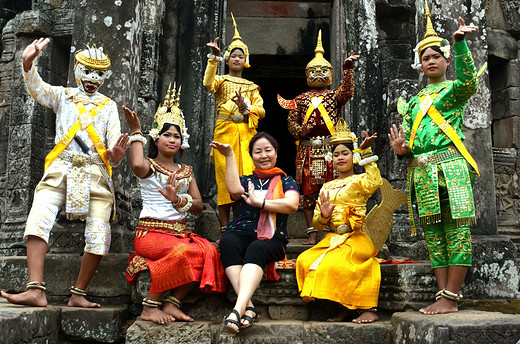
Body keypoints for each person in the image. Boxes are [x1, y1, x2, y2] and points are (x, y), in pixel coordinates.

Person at [1, 38, 128, 308]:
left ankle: (78, 293)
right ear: (77, 70)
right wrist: (28, 63)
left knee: (99, 234)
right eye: (87, 71)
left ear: (105, 77)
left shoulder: (109, 106)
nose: (92, 78)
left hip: (95, 171)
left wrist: (115, 156)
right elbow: (38, 89)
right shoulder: (63, 95)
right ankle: (35, 288)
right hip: (61, 167)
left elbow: (114, 148)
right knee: (38, 218)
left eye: (99, 74)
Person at [388, 1, 482, 315]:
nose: (430, 61)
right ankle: (443, 295)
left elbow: (471, 82)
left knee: (456, 230)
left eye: (435, 56)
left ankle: (451, 297)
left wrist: (460, 44)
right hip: (423, 171)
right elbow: (411, 144)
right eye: (425, 57)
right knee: (434, 234)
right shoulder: (413, 103)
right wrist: (403, 152)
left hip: (450, 167)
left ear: (445, 60)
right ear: (420, 64)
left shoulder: (454, 90)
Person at [123, 85, 227, 324]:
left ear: (183, 142)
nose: (172, 140)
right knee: (183, 252)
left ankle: (172, 302)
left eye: (177, 136)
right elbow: (137, 166)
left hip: (177, 233)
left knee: (208, 251)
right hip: (150, 235)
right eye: (167, 135)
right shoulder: (149, 166)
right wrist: (136, 131)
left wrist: (178, 200)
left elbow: (199, 205)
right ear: (156, 138)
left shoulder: (186, 171)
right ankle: (150, 306)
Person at [210, 132, 299, 334]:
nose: (263, 155)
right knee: (228, 241)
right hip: (241, 231)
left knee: (256, 248)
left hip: (272, 237)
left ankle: (237, 309)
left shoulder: (287, 181)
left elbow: (292, 205)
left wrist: (261, 203)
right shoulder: (247, 180)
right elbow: (233, 190)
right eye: (258, 151)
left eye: (268, 150)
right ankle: (247, 307)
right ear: (251, 155)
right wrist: (230, 155)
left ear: (276, 153)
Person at [296, 118, 382, 323]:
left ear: (353, 156)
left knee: (340, 262)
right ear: (330, 158)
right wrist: (324, 215)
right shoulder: (327, 187)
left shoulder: (361, 180)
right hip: (332, 237)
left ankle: (367, 308)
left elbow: (376, 181)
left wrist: (366, 152)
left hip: (356, 237)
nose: (340, 158)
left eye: (345, 153)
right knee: (304, 260)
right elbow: (316, 224)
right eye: (336, 154)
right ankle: (345, 308)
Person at [280, 30, 359, 245]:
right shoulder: (300, 99)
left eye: (323, 70)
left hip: (329, 151)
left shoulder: (334, 95)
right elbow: (291, 124)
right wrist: (301, 131)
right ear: (307, 74)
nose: (318, 74)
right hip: (306, 150)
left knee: (333, 188)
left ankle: (331, 230)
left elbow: (348, 92)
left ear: (330, 73)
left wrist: (348, 70)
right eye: (314, 71)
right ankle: (311, 232)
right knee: (308, 194)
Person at [204, 13, 265, 230]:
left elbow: (261, 110)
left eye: (241, 56)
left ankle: (244, 224)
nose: (237, 59)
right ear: (227, 59)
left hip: (246, 135)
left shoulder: (251, 87)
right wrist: (214, 58)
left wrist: (245, 107)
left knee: (246, 178)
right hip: (225, 133)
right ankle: (224, 229)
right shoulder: (220, 80)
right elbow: (208, 83)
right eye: (233, 56)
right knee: (224, 180)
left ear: (246, 60)